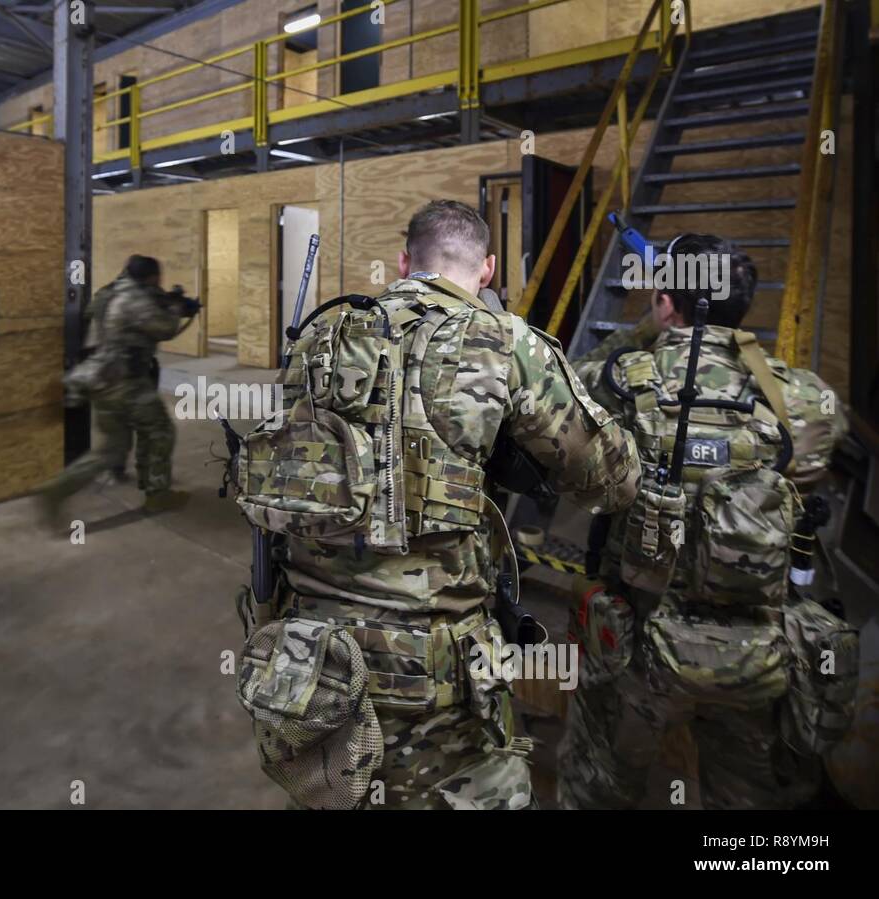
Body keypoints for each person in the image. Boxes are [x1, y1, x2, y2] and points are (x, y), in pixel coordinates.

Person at [239, 200, 640, 809]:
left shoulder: (319, 334)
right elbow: (612, 481)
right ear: (487, 270)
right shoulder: (505, 343)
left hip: (309, 667)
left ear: (404, 261)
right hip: (436, 684)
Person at [557, 233, 851, 809]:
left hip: (634, 647)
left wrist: (645, 334)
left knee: (598, 789)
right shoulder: (801, 396)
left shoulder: (618, 381)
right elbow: (811, 466)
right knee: (751, 806)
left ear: (667, 300)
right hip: (756, 651)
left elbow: (564, 392)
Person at [37, 255, 198, 522]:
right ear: (152, 277)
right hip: (126, 381)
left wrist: (169, 302)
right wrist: (177, 309)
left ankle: (55, 491)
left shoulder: (112, 293)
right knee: (161, 430)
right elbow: (165, 328)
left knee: (111, 448)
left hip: (103, 378)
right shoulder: (134, 298)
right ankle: (157, 495)